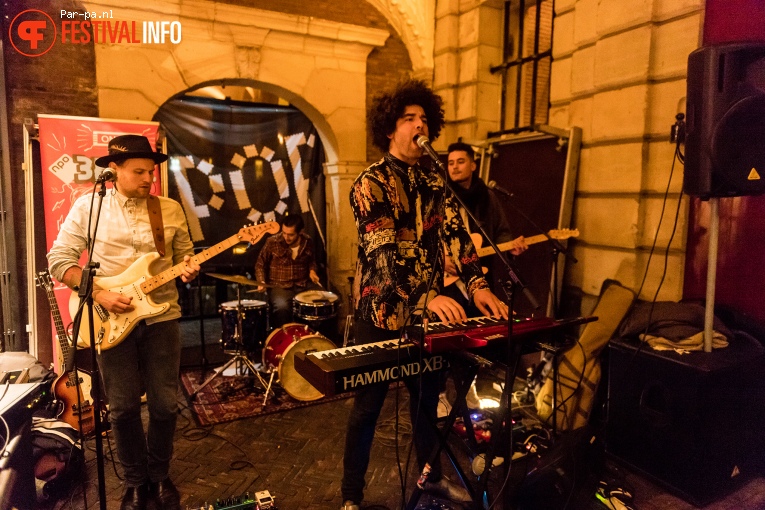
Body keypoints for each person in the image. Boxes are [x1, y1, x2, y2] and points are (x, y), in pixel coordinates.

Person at [342, 80, 509, 510]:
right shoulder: (369, 183)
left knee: (424, 408)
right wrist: (425, 298)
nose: (420, 127)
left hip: (424, 319)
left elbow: (458, 238)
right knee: (367, 410)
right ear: (390, 129)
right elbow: (382, 256)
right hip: (378, 316)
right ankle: (351, 496)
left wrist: (480, 286)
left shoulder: (435, 183)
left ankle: (429, 480)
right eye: (408, 119)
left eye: (424, 120)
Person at [47, 135, 200, 510]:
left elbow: (185, 257)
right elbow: (59, 259)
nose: (149, 177)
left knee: (165, 405)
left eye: (151, 170)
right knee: (123, 407)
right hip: (110, 320)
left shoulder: (170, 209)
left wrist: (190, 269)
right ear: (113, 171)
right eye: (139, 171)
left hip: (162, 315)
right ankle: (135, 480)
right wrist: (98, 294)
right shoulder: (89, 208)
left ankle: (160, 474)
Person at [442, 142, 528, 314]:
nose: (455, 167)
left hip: (482, 278)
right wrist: (441, 259)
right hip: (449, 282)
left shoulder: (488, 197)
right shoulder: (440, 195)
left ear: (473, 165)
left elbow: (501, 232)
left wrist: (511, 248)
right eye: (451, 163)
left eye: (460, 162)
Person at [255, 214, 321, 328]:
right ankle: (285, 339)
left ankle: (313, 337)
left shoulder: (307, 241)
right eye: (284, 233)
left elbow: (312, 262)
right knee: (282, 308)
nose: (286, 237)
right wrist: (261, 281)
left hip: (303, 284)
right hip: (280, 286)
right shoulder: (272, 242)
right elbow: (260, 264)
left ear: (300, 232)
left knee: (323, 301)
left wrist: (312, 271)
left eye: (290, 234)